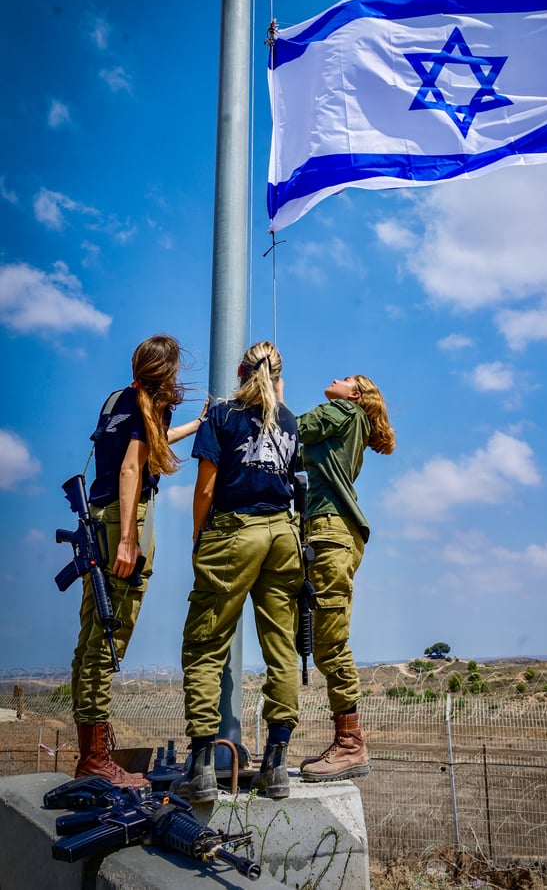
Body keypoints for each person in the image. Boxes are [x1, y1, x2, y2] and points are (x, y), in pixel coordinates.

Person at [71, 334, 205, 788]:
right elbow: (133, 468)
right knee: (109, 637)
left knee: (91, 634)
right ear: (167, 375)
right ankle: (95, 758)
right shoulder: (154, 402)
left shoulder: (119, 399)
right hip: (123, 519)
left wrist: (193, 426)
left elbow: (145, 445)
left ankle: (91, 751)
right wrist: (129, 538)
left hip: (99, 515)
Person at [172, 341, 303, 803]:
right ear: (278, 376)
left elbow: (206, 487)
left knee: (207, 642)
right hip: (283, 535)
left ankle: (202, 766)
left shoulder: (224, 413)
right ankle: (277, 765)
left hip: (235, 532)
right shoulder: (288, 420)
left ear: (241, 371)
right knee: (282, 648)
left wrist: (197, 539)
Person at [296, 374, 395, 782]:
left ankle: (351, 744)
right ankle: (346, 740)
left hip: (330, 530)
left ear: (354, 394)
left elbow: (292, 428)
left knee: (330, 644)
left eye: (345, 379)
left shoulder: (341, 410)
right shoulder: (351, 420)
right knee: (322, 639)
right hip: (334, 531)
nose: (334, 380)